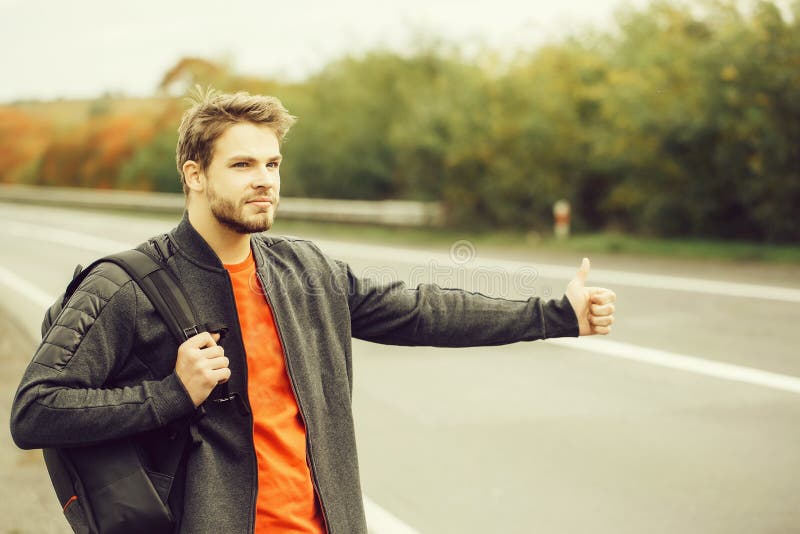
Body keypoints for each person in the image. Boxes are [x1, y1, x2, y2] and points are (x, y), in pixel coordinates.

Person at [10, 89, 616, 533]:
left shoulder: (304, 271)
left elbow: (423, 310)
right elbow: (35, 411)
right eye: (242, 165)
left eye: (272, 164)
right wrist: (170, 393)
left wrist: (557, 314)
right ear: (194, 176)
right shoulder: (127, 285)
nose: (264, 181)